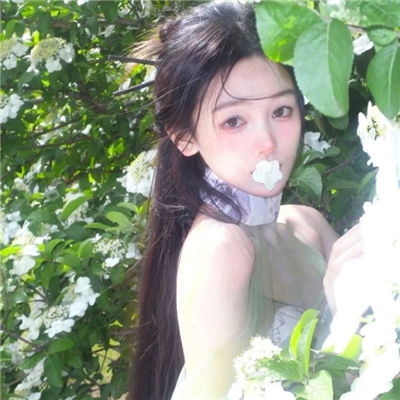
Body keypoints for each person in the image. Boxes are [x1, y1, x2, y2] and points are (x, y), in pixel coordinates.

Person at [129, 2, 363, 399]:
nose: (267, 142)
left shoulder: (307, 224)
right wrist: (349, 320)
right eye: (234, 121)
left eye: (281, 111)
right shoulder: (221, 249)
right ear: (184, 136)